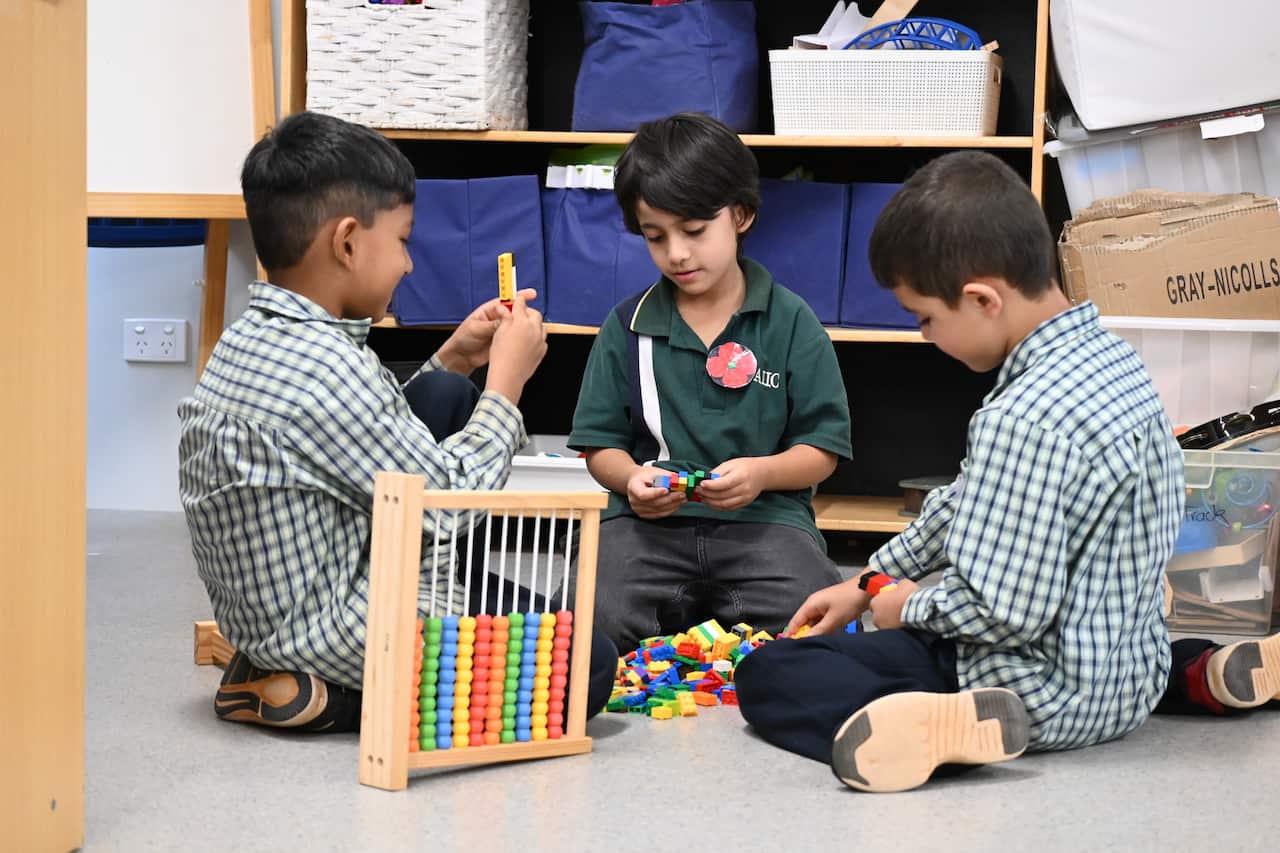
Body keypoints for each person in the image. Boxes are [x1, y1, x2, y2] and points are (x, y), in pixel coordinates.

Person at [735, 149, 1196, 792]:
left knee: (773, 676)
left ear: (980, 299)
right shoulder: (1117, 366)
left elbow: (1002, 614)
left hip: (1028, 694)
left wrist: (902, 605)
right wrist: (871, 580)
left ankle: (947, 734)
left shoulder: (1022, 418)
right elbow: (964, 500)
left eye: (927, 318)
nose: (926, 337)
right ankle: (1193, 673)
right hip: (1123, 689)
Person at [179, 110, 616, 733]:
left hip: (279, 606)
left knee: (440, 392)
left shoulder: (259, 338)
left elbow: (360, 436)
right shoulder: (328, 368)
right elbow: (442, 505)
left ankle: (281, 664)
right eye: (403, 241)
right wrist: (506, 385)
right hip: (337, 626)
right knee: (585, 665)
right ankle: (325, 692)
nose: (409, 265)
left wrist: (458, 358)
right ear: (348, 241)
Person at [568, 112, 853, 653]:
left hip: (766, 520)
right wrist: (630, 480)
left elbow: (821, 449)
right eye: (656, 237)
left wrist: (761, 474)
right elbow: (599, 447)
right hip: (644, 529)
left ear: (741, 215)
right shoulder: (626, 325)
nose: (676, 253)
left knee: (818, 622)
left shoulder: (793, 321)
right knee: (583, 622)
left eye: (694, 231)